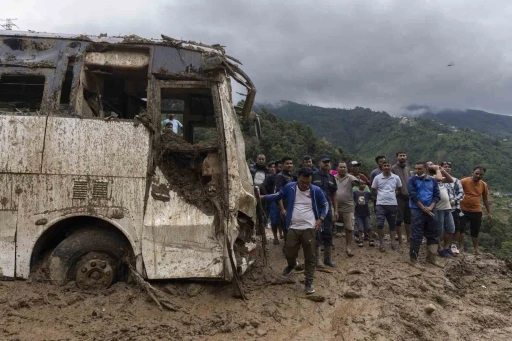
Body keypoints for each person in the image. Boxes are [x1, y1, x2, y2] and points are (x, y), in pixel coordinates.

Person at [262, 167, 328, 295]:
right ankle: (292, 264)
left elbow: (325, 204)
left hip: (310, 227)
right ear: (298, 178)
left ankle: (308, 282)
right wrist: (263, 197)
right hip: (293, 226)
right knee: (289, 251)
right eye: (303, 182)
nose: (305, 185)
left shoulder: (316, 190)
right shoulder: (290, 187)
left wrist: (321, 219)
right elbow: (278, 195)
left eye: (308, 182)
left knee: (310, 256)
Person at [408, 161, 441, 265]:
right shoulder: (412, 180)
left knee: (433, 233)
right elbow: (412, 195)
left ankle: (431, 258)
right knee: (417, 234)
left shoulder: (432, 181)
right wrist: (423, 208)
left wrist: (430, 207)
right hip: (417, 210)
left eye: (420, 169)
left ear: (426, 169)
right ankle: (413, 260)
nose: (417, 171)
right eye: (416, 169)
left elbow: (437, 195)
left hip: (431, 210)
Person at [312, 155, 338, 267]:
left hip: (328, 209)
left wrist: (336, 210)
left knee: (328, 232)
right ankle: (317, 260)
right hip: (315, 209)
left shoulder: (332, 178)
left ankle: (328, 259)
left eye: (328, 162)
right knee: (317, 233)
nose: (326, 164)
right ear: (319, 163)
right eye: (324, 162)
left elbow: (334, 194)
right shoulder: (313, 176)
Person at [371, 160, 402, 252]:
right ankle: (381, 243)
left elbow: (399, 189)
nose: (386, 167)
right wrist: (379, 197)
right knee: (380, 223)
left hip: (393, 204)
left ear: (391, 166)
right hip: (380, 204)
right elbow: (373, 189)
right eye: (385, 165)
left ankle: (392, 243)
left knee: (392, 224)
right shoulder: (377, 177)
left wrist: (393, 195)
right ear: (382, 166)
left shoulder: (396, 177)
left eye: (388, 165)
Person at [459, 166, 491, 255]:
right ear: (472, 173)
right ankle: (461, 247)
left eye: (481, 174)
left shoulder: (483, 185)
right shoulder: (464, 181)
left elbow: (485, 199)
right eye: (476, 173)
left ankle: (476, 249)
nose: (478, 175)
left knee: (475, 230)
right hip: (463, 209)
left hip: (476, 210)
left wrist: (489, 212)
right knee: (461, 228)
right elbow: (456, 191)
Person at [334, 162, 361, 256]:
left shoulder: (350, 177)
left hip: (348, 205)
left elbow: (357, 182)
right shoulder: (333, 177)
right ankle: (328, 244)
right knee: (329, 225)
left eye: (344, 167)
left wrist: (358, 180)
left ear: (346, 168)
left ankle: (348, 246)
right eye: (340, 167)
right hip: (334, 205)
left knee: (349, 227)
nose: (342, 168)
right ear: (337, 168)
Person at [441, 162, 465, 255]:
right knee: (439, 227)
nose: (447, 169)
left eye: (448, 167)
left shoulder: (455, 180)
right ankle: (441, 246)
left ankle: (453, 246)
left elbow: (461, 193)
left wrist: (453, 201)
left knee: (454, 227)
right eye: (445, 167)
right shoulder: (437, 179)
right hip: (440, 207)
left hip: (453, 207)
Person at [391, 151, 411, 246]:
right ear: (397, 157)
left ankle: (409, 238)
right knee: (398, 219)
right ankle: (400, 240)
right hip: (398, 197)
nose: (402, 157)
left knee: (408, 219)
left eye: (404, 155)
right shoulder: (393, 169)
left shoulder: (407, 168)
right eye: (400, 156)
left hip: (408, 196)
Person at [275, 157, 297, 241]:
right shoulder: (280, 176)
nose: (289, 165)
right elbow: (278, 194)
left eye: (291, 163)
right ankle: (287, 248)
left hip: (292, 204)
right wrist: (282, 209)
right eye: (287, 163)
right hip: (285, 205)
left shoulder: (291, 176)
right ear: (283, 165)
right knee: (286, 227)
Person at [435, 174, 456, 257]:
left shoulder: (439, 179)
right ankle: (440, 249)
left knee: (451, 228)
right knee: (438, 231)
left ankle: (446, 247)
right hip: (438, 208)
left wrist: (442, 170)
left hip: (447, 207)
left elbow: (450, 180)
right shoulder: (429, 179)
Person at [263, 161, 284, 244]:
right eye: (278, 167)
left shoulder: (287, 177)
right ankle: (275, 236)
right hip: (274, 201)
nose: (279, 168)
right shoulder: (270, 177)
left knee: (282, 219)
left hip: (284, 200)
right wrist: (267, 196)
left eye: (281, 166)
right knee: (274, 220)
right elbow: (263, 186)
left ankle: (281, 234)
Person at [354, 182, 374, 247]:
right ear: (358, 185)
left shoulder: (367, 193)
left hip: (366, 212)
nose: (362, 185)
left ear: (365, 185)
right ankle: (360, 240)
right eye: (361, 184)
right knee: (360, 227)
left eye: (364, 184)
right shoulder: (355, 193)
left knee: (369, 226)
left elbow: (373, 198)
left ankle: (371, 239)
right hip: (358, 213)